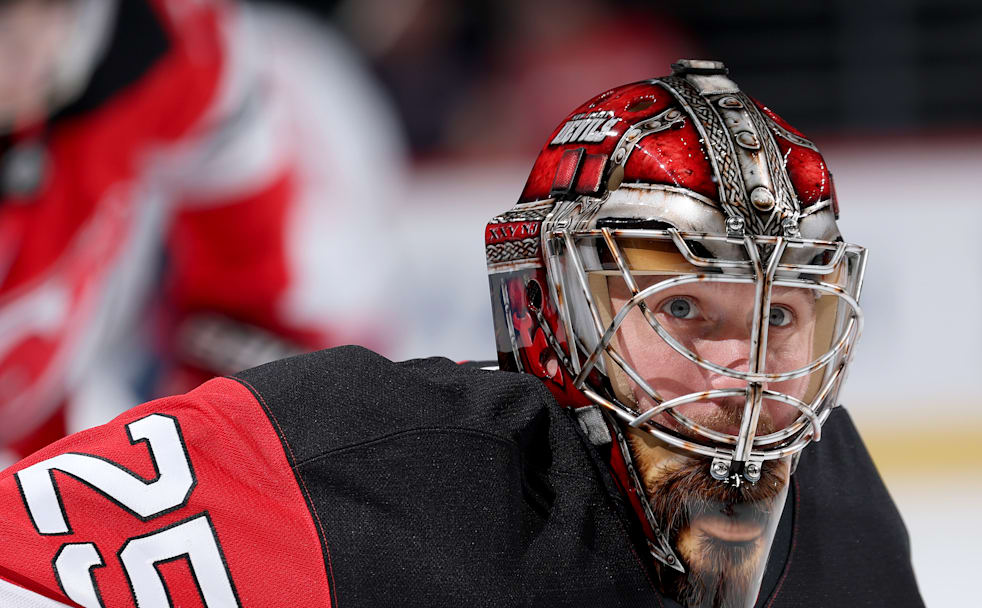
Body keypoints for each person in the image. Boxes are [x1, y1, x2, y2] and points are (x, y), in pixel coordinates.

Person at [0, 60, 923, 607]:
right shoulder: (365, 456)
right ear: (555, 312)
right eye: (683, 308)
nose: (743, 369)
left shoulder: (841, 509)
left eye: (782, 316)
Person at [0, 0, 404, 465]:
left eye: (48, 9)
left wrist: (228, 422)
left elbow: (247, 288)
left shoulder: (161, 46)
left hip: (63, 412)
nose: (28, 46)